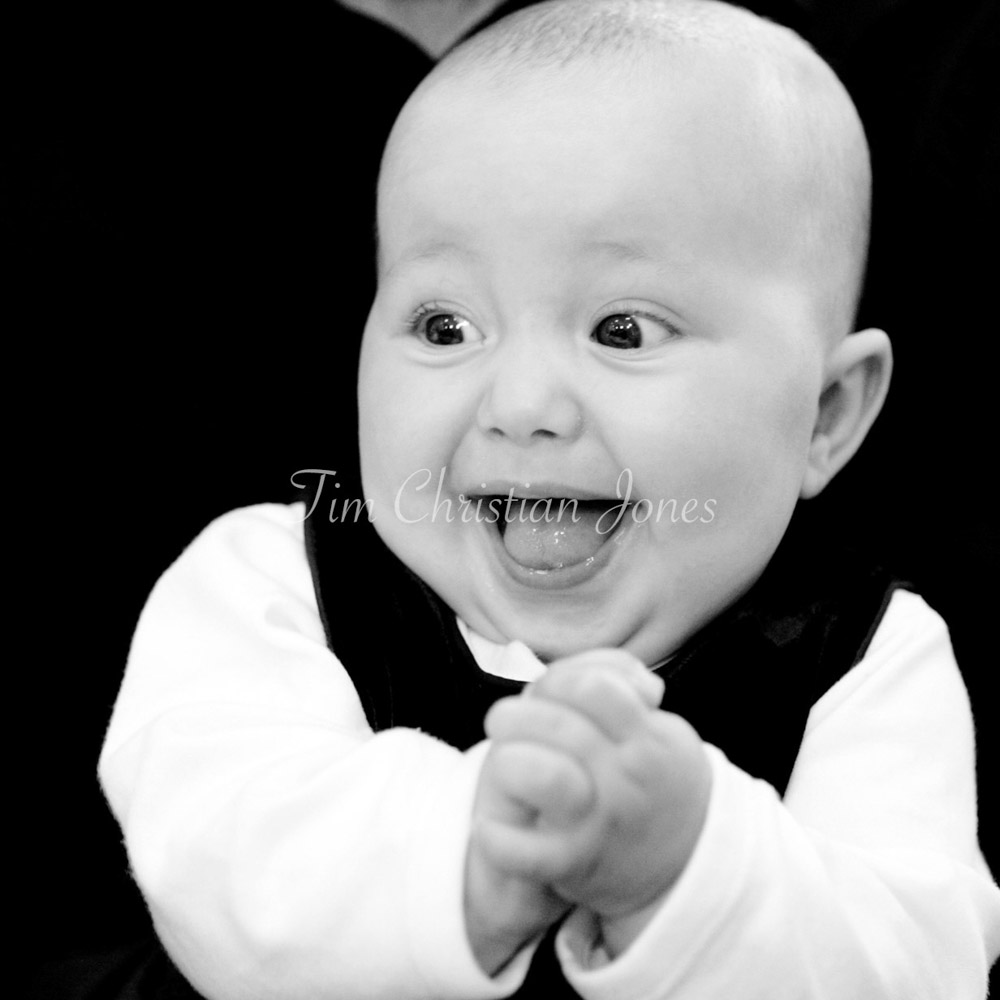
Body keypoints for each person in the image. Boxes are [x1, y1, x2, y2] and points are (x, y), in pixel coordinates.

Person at [96, 0, 1000, 998]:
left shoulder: (866, 660)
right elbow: (216, 846)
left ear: (823, 412)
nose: (520, 404)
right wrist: (478, 854)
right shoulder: (275, 585)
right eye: (443, 325)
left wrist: (682, 863)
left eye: (622, 330)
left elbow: (917, 962)